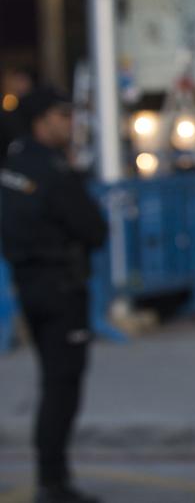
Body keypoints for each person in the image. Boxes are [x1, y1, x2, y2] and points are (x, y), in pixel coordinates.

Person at [0, 88, 107, 503]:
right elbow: (93, 229)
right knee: (62, 385)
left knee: (54, 382)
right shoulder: (52, 170)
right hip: (61, 288)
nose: (70, 124)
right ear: (41, 121)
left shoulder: (13, 163)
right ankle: (53, 480)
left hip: (31, 284)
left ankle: (51, 476)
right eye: (63, 116)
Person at [0, 65, 37, 167]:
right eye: (18, 80)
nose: (22, 85)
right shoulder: (6, 113)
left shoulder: (35, 108)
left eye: (24, 80)